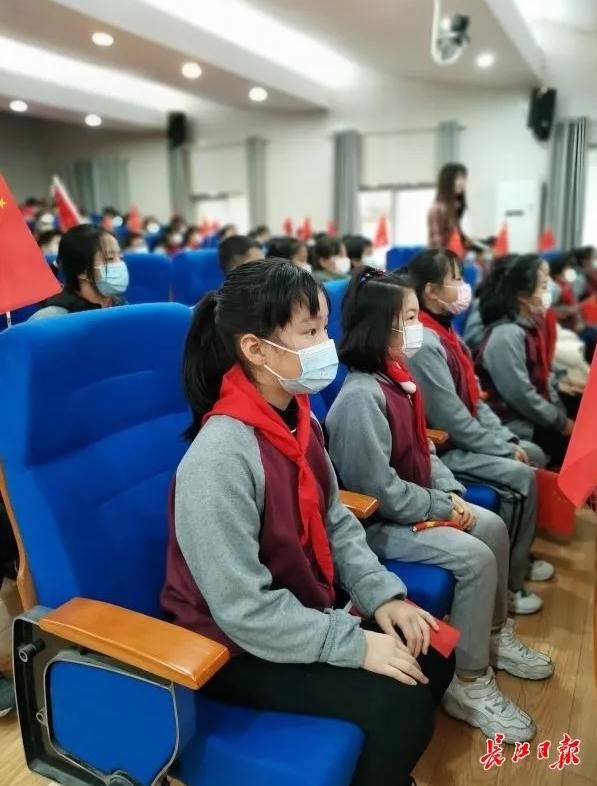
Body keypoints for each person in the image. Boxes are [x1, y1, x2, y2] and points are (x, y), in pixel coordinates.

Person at [161, 259, 454, 786]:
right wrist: (355, 644)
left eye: (324, 327)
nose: (327, 345)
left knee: (436, 651)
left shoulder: (300, 417)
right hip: (232, 644)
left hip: (298, 609)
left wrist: (382, 596)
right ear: (255, 349)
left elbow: (336, 520)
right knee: (401, 706)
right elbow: (242, 609)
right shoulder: (219, 457)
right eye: (310, 332)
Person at [326, 268, 552, 741]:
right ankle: (468, 681)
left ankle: (494, 635)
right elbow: (379, 492)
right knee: (474, 558)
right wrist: (439, 505)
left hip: (413, 507)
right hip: (379, 525)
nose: (418, 328)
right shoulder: (361, 398)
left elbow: (425, 450)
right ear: (380, 327)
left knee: (491, 526)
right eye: (409, 319)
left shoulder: (398, 378)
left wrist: (451, 494)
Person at [404, 249, 555, 615]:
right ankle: (510, 587)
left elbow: (474, 399)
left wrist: (505, 440)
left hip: (462, 438)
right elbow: (452, 419)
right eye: (456, 279)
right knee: (521, 474)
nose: (463, 287)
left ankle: (519, 556)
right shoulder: (424, 341)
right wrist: (501, 448)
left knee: (528, 452)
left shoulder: (448, 333)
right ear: (431, 291)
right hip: (447, 448)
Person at [476, 255, 574, 468]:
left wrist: (560, 414)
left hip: (531, 416)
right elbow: (520, 394)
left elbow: (542, 376)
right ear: (522, 296)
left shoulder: (529, 326)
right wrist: (560, 422)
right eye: (543, 287)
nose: (548, 292)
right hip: (514, 421)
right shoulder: (506, 335)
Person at [30, 225, 128, 320]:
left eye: (121, 257)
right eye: (109, 258)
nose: (120, 264)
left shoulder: (122, 308)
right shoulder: (49, 319)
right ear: (82, 270)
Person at [549, 253, 597, 361]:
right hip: (566, 328)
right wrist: (571, 310)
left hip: (578, 324)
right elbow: (551, 311)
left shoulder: (566, 284)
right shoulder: (554, 288)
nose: (571, 271)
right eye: (568, 268)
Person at [427, 162, 469, 249]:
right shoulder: (437, 208)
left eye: (463, 178)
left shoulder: (459, 207)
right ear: (447, 181)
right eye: (457, 178)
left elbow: (463, 238)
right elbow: (437, 243)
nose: (462, 182)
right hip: (444, 255)